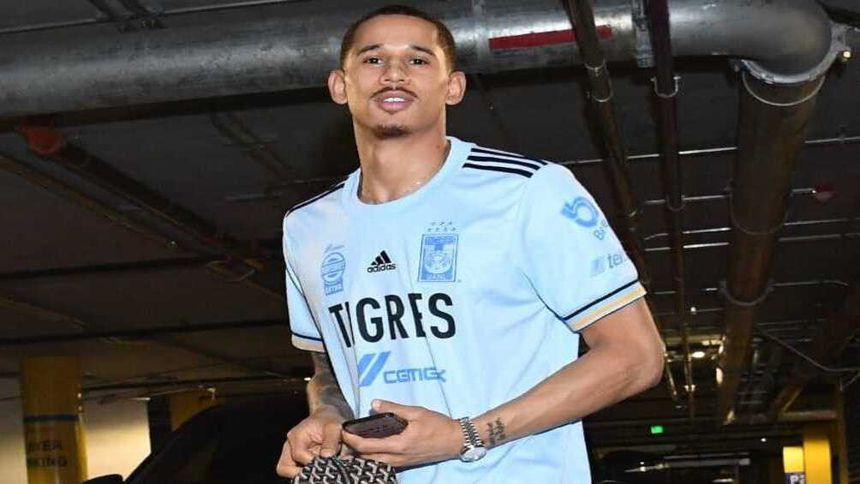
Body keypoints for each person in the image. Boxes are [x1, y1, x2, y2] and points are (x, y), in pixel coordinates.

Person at [276, 5, 665, 483]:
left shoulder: (529, 191)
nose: (394, 73)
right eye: (373, 59)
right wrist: (328, 415)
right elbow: (330, 368)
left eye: (418, 60)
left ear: (453, 87)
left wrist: (466, 435)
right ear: (340, 85)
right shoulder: (307, 227)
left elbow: (636, 357)